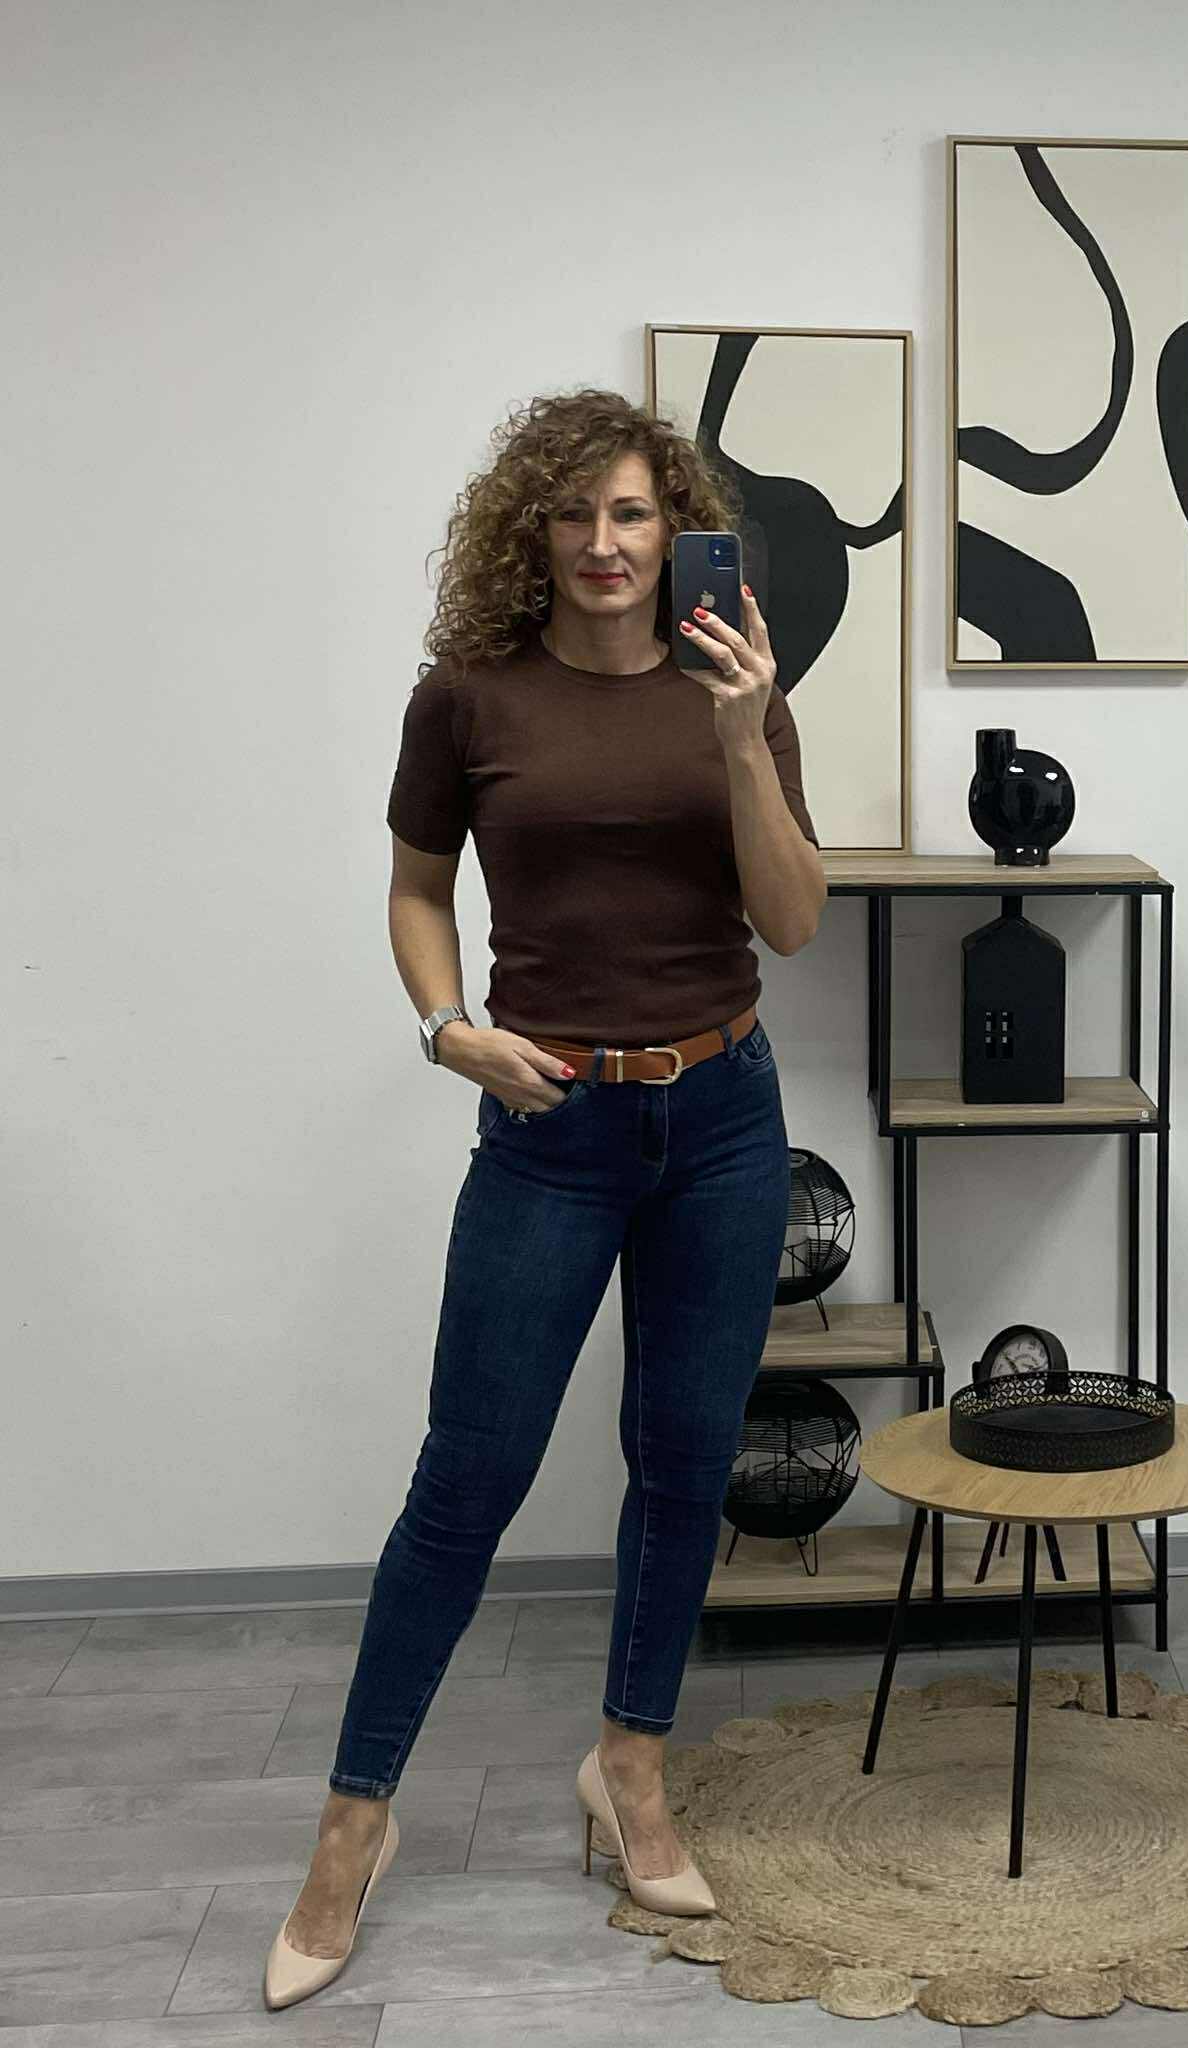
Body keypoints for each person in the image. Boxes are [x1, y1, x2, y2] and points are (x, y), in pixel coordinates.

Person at [264, 388, 825, 2007]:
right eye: (573, 513)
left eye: (632, 512)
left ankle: (628, 1768)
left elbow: (793, 922)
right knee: (468, 1479)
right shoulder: (468, 696)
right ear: (533, 528)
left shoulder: (741, 690)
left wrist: (741, 737)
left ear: (676, 528)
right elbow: (415, 886)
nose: (601, 543)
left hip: (721, 1120)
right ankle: (353, 1825)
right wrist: (448, 1028)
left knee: (684, 1465)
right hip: (550, 1121)